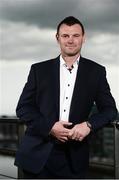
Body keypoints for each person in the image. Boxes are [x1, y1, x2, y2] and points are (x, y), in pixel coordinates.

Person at [14, 16, 117, 179]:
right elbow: (23, 108)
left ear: (84, 38)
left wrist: (89, 125)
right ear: (57, 38)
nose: (70, 40)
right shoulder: (39, 70)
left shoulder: (96, 72)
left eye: (76, 35)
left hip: (74, 159)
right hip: (38, 156)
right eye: (65, 36)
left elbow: (110, 110)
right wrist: (50, 127)